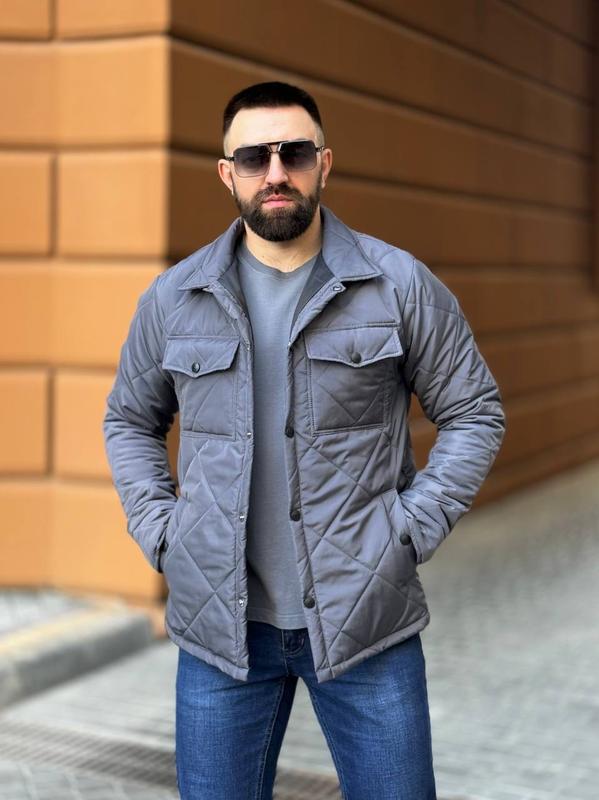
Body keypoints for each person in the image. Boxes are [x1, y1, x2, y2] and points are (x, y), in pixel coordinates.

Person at [103, 80, 506, 799]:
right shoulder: (173, 298)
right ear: (226, 173)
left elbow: (473, 411)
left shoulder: (396, 284)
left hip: (365, 620)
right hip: (221, 632)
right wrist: (163, 532)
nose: (275, 172)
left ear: (324, 162)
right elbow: (130, 420)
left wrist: (408, 531)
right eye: (253, 157)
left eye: (293, 153)